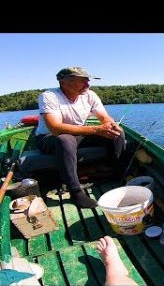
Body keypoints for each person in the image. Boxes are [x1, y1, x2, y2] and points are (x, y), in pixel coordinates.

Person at [35, 66, 125, 208]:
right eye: (82, 81)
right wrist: (96, 129)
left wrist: (110, 125)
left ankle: (116, 173)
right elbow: (56, 128)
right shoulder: (49, 97)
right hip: (49, 138)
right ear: (64, 83)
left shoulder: (89, 95)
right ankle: (76, 192)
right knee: (65, 139)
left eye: (88, 81)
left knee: (117, 133)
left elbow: (104, 117)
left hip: (78, 133)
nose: (87, 85)